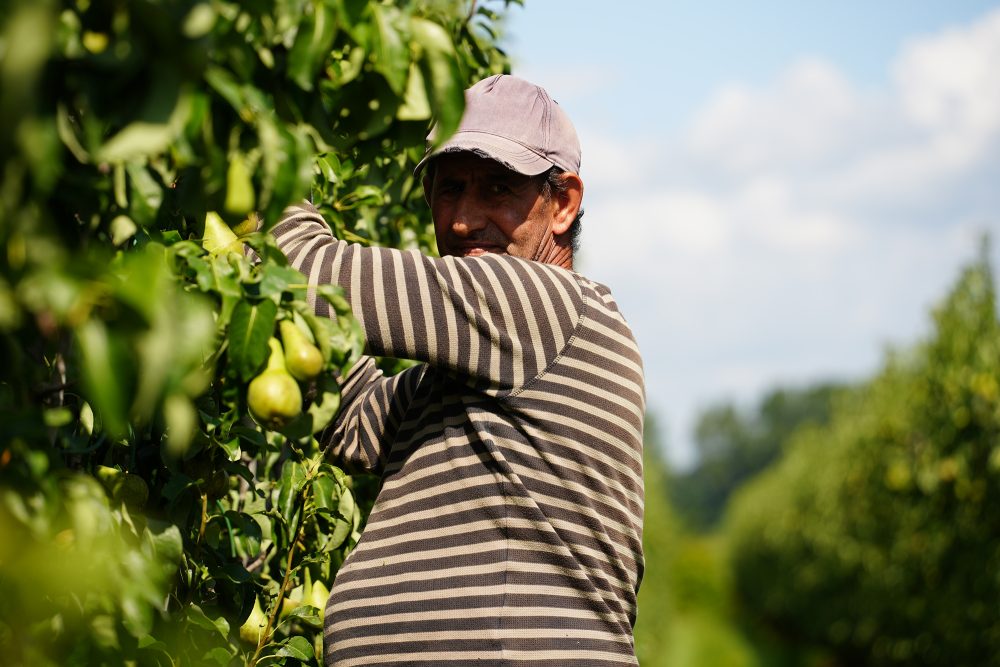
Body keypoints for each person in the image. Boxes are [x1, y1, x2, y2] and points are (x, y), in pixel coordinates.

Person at [271, 74, 645, 666]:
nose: (465, 220)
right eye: (449, 190)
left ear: (564, 203)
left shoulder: (543, 303)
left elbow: (310, 275)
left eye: (497, 188)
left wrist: (251, 153)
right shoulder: (468, 374)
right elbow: (351, 417)